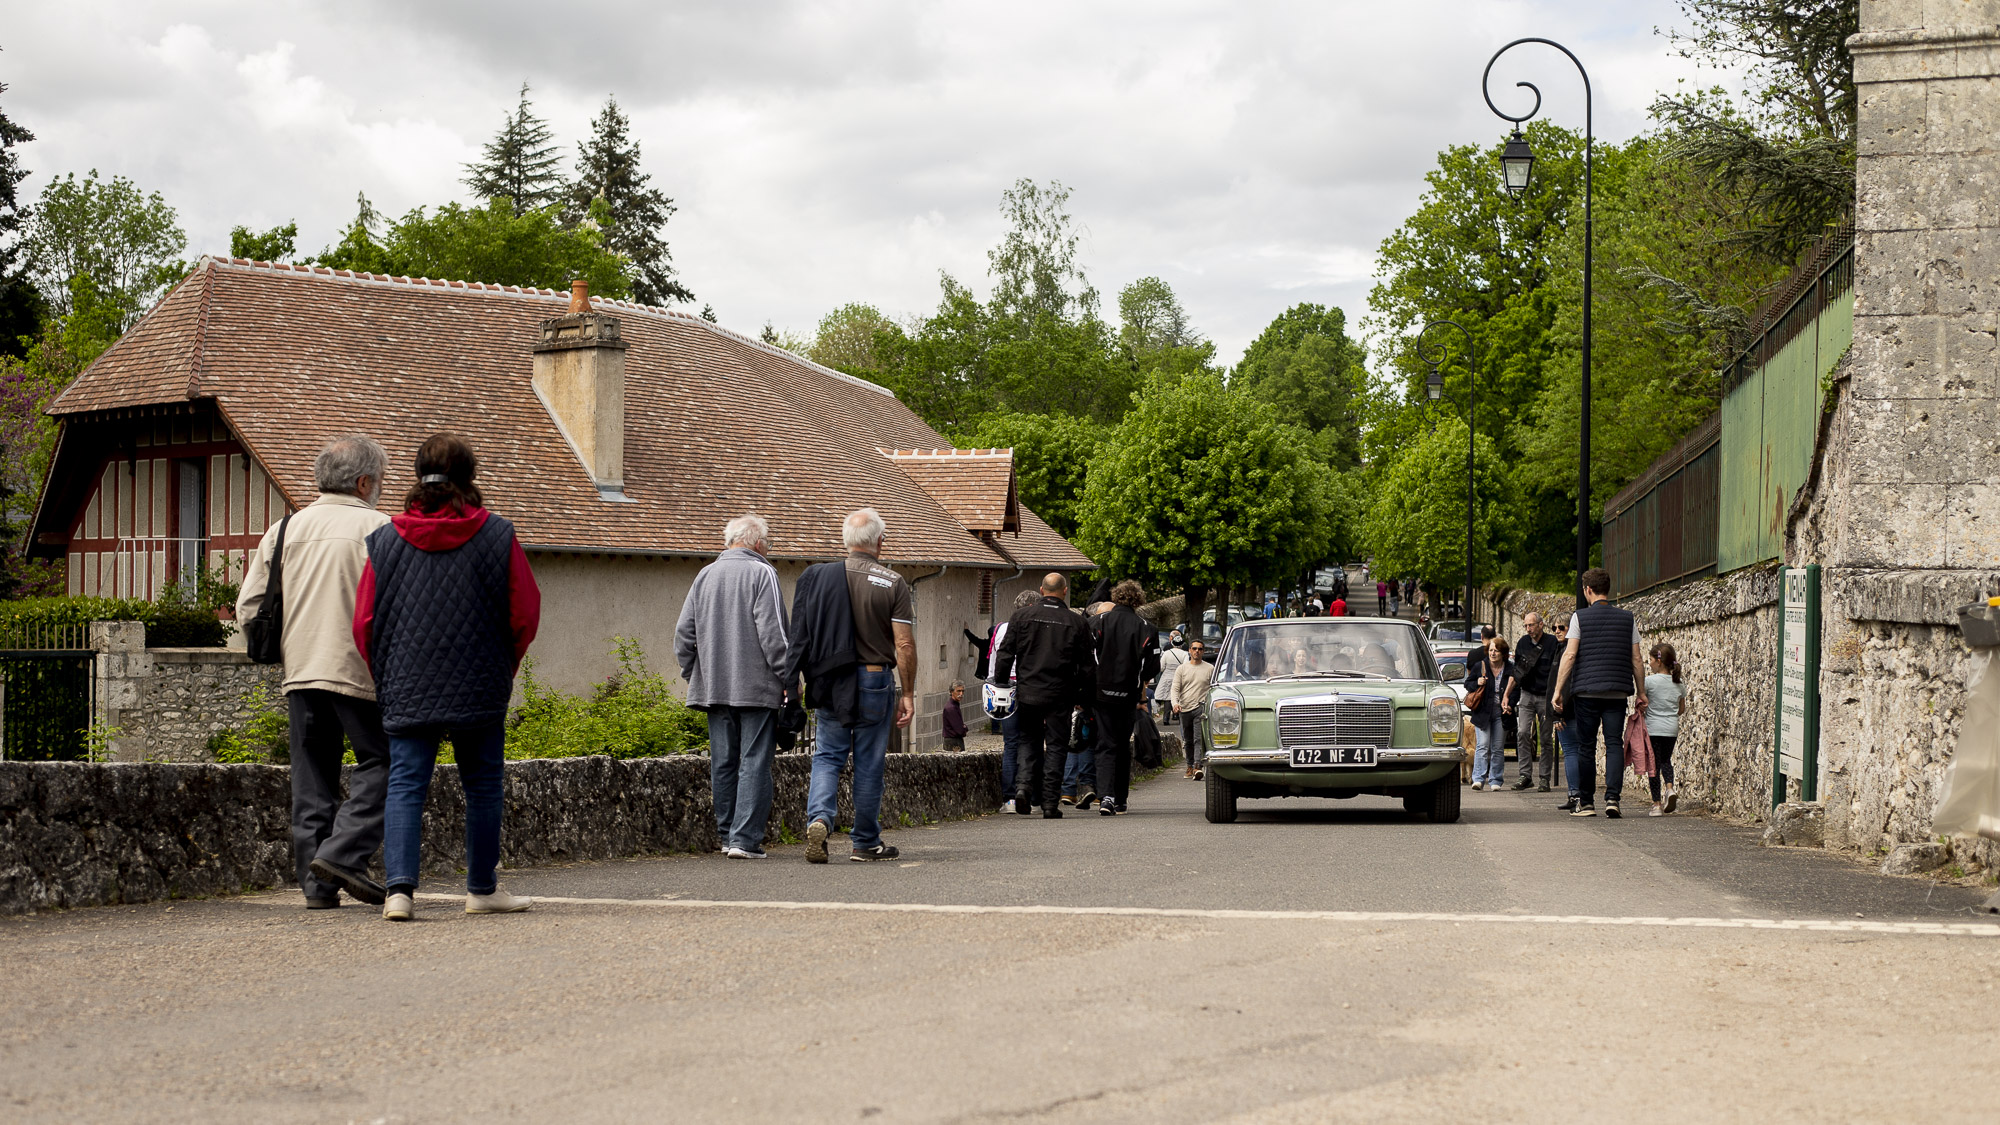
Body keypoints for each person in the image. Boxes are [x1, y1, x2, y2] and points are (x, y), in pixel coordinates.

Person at [354, 433, 540, 921]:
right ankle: (481, 889)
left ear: (417, 478)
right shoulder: (497, 534)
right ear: (469, 477)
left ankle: (399, 893)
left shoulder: (385, 540)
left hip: (406, 680)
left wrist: (387, 672)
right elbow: (525, 612)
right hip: (480, 677)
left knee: (406, 784)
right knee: (482, 784)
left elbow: (364, 622)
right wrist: (506, 663)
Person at [237, 435, 394, 910]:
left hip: (300, 671)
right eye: (380, 481)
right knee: (387, 762)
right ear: (365, 482)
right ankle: (342, 853)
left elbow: (249, 606)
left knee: (312, 780)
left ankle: (317, 887)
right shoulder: (382, 529)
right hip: (357, 671)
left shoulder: (284, 530)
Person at [794, 508, 916, 862]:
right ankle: (864, 842)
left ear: (846, 541)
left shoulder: (819, 578)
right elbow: (904, 645)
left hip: (830, 677)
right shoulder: (892, 582)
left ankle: (818, 818)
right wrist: (907, 692)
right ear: (880, 541)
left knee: (827, 756)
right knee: (869, 761)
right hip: (874, 677)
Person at [674, 512, 790, 861]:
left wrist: (694, 673)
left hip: (713, 686)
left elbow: (684, 635)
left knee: (723, 761)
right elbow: (774, 634)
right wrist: (788, 678)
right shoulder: (762, 572)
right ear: (758, 542)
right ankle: (745, 840)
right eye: (768, 543)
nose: (768, 549)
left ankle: (727, 836)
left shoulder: (705, 575)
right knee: (754, 760)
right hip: (755, 686)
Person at [991, 572, 1095, 817]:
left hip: (1029, 691)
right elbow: (1087, 666)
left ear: (1041, 590)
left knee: (1029, 741)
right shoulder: (1076, 622)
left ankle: (1024, 788)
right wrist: (1083, 695)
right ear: (1064, 591)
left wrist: (1003, 684)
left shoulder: (1021, 617)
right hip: (1061, 693)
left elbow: (1006, 654)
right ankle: (1050, 803)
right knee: (1057, 746)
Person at [1552, 567, 1647, 818]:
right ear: (1608, 589)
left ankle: (1586, 802)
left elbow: (1570, 654)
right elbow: (1636, 658)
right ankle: (1613, 799)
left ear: (1587, 590)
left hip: (1586, 692)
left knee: (1586, 746)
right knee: (1615, 743)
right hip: (1617, 691)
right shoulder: (1628, 619)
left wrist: (1558, 690)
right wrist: (1641, 692)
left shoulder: (1579, 618)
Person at [1090, 579, 1158, 816]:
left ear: (1115, 597)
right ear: (1138, 600)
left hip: (1101, 692)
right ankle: (1120, 799)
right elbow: (1151, 667)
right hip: (1129, 693)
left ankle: (1106, 797)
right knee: (1121, 743)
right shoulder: (1147, 628)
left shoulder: (1097, 622)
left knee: (1105, 743)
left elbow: (1086, 656)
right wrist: (1140, 688)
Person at [991, 589, 1042, 811]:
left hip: (1005, 689)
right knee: (1034, 742)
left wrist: (995, 686)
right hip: (1033, 687)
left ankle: (1010, 798)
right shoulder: (1041, 628)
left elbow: (994, 661)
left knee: (1010, 744)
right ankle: (1036, 797)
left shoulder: (1002, 628)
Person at [1507, 611, 1561, 792]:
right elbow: (1517, 672)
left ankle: (1544, 777)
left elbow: (1559, 669)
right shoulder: (1523, 643)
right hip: (1527, 693)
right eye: (1526, 626)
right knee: (1522, 733)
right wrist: (1507, 694)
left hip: (1546, 695)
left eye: (1531, 625)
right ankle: (1525, 775)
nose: (1528, 629)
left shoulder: (1552, 643)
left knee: (1546, 738)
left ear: (1541, 624)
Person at [1644, 642, 1687, 816]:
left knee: (1653, 766)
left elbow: (1643, 703)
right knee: (1666, 760)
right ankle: (1669, 788)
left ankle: (1656, 805)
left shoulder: (1649, 682)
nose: (1650, 664)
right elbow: (1681, 709)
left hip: (1653, 728)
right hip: (1671, 728)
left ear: (1659, 661)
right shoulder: (1679, 683)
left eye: (1651, 660)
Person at [1466, 636, 1512, 791]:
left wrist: (1510, 703)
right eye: (1491, 650)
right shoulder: (1481, 666)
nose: (1493, 653)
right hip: (1482, 713)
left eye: (1496, 651)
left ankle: (1496, 780)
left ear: (1502, 653)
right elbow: (1468, 684)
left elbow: (1516, 689)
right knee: (1483, 745)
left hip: (1501, 713)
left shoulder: (1509, 668)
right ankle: (1478, 779)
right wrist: (1476, 682)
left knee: (1498, 747)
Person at [1173, 639, 1215, 780]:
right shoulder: (1182, 669)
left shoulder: (1210, 669)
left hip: (1200, 708)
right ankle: (1189, 765)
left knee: (1198, 739)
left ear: (1203, 651)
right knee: (1188, 740)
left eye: (1200, 649)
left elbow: (1213, 688)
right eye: (1194, 648)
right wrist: (1175, 703)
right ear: (1190, 650)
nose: (1197, 651)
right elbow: (1175, 688)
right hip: (1184, 708)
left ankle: (1198, 766)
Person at [1154, 628, 1189, 725]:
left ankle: (1165, 718)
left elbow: (1161, 667)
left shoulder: (1166, 653)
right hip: (1178, 676)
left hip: (1167, 676)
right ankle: (1176, 714)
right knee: (1177, 695)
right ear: (1181, 644)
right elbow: (1185, 667)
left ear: (1172, 643)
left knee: (1166, 697)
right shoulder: (1185, 654)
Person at [942, 681, 968, 752]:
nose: (961, 694)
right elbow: (959, 729)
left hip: (954, 740)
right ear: (951, 692)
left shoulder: (954, 706)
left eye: (962, 691)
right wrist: (964, 728)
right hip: (953, 741)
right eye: (958, 691)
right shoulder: (951, 708)